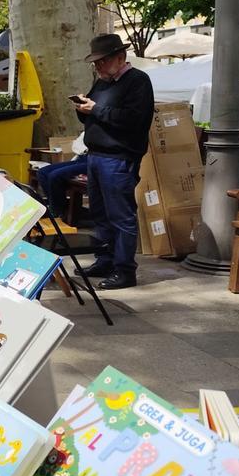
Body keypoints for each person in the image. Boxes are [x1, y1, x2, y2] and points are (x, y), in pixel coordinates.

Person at [75, 33, 155, 290]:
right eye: (95, 63)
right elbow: (92, 118)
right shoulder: (101, 83)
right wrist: (83, 109)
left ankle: (124, 269)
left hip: (119, 159)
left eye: (102, 61)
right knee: (100, 214)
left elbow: (134, 119)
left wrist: (95, 109)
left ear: (120, 58)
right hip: (96, 156)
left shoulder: (138, 82)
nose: (98, 67)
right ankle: (105, 259)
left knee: (121, 216)